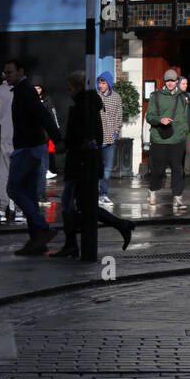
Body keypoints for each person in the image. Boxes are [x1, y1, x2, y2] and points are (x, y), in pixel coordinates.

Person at [51, 72, 133, 258]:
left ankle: (72, 242)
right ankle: (121, 225)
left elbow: (79, 136)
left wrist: (64, 145)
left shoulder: (83, 107)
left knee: (70, 202)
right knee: (82, 203)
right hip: (84, 163)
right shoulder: (90, 105)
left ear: (78, 86)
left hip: (80, 164)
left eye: (70, 86)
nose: (67, 90)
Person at [3, 59, 61, 256]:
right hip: (32, 146)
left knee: (14, 189)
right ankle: (37, 240)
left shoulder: (25, 91)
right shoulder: (23, 90)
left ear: (20, 72)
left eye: (10, 72)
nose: (6, 76)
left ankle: (42, 228)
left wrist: (57, 139)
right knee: (28, 193)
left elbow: (43, 115)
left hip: (27, 147)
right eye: (5, 73)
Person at [145, 69, 188, 210]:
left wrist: (184, 132)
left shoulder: (183, 97)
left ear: (177, 81)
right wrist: (159, 120)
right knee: (158, 170)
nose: (170, 83)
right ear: (164, 81)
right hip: (160, 139)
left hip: (177, 139)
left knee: (177, 169)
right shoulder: (156, 96)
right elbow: (149, 116)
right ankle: (152, 192)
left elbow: (185, 117)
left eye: (172, 80)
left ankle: (177, 197)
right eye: (167, 80)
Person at [96, 72, 124, 207]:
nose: (101, 85)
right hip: (96, 139)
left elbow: (119, 116)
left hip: (109, 139)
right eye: (99, 82)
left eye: (103, 82)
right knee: (96, 169)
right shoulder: (95, 96)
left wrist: (116, 132)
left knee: (107, 170)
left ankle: (103, 194)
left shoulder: (116, 97)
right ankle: (94, 194)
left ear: (109, 83)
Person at [0, 75, 15, 222]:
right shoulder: (22, 91)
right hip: (20, 137)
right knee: (20, 174)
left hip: (3, 135)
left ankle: (2, 208)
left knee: (4, 172)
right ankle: (20, 209)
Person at [177, 76, 190, 176]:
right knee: (178, 150)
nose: (186, 85)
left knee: (189, 150)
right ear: (178, 84)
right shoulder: (175, 95)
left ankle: (187, 171)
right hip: (178, 128)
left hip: (189, 127)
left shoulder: (189, 96)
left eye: (186, 84)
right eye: (183, 84)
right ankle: (177, 170)